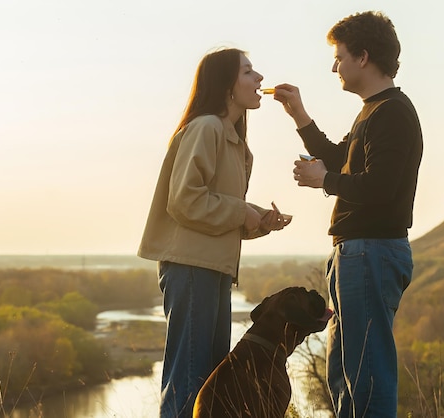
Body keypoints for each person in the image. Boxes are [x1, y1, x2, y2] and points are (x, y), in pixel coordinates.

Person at [273, 11, 423, 417]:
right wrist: (300, 116)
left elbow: (379, 187)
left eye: (338, 56)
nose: (333, 65)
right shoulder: (372, 111)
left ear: (363, 57)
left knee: (367, 378)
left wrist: (325, 181)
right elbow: (341, 159)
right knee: (345, 377)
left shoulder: (392, 112)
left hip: (370, 253)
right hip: (354, 255)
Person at [138, 47, 292, 418]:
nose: (259, 79)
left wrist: (257, 220)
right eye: (248, 72)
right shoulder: (206, 127)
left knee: (208, 384)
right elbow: (186, 200)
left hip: (213, 268)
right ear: (226, 85)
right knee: (189, 381)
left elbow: (214, 211)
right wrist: (243, 211)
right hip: (192, 268)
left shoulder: (234, 141)